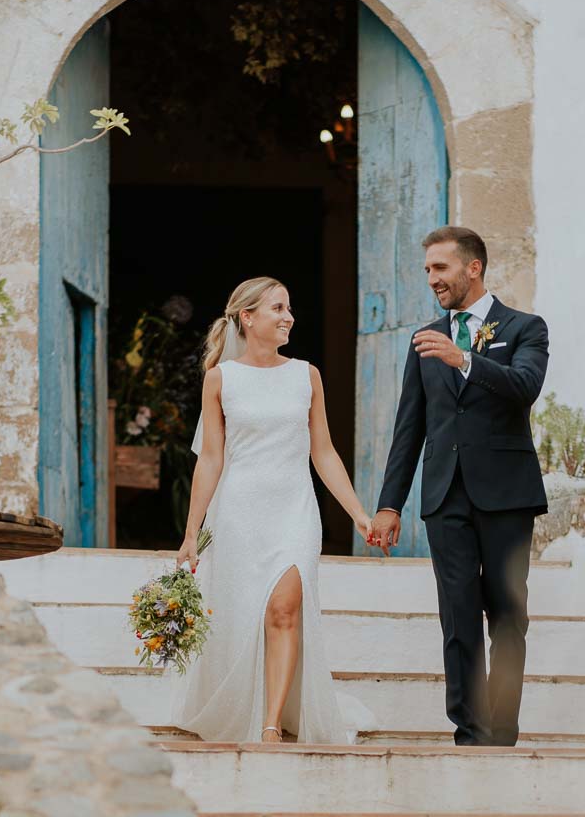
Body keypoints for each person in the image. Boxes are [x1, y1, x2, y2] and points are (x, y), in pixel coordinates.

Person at [173, 276, 382, 745]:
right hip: (238, 512)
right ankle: (246, 706)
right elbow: (210, 458)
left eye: (289, 308)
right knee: (248, 613)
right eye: (278, 308)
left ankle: (270, 726)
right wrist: (192, 533)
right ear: (247, 317)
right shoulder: (221, 379)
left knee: (285, 606)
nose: (288, 316)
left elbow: (323, 452)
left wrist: (357, 513)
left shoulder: (306, 374)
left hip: (293, 509)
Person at [369, 227, 549, 747]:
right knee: (458, 617)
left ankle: (503, 733)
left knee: (508, 616)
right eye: (427, 270)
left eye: (440, 268)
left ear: (473, 268)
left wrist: (464, 359)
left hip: (508, 495)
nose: (432, 279)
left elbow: (524, 387)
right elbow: (411, 426)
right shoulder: (423, 338)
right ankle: (470, 733)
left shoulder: (525, 327)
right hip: (445, 496)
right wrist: (389, 505)